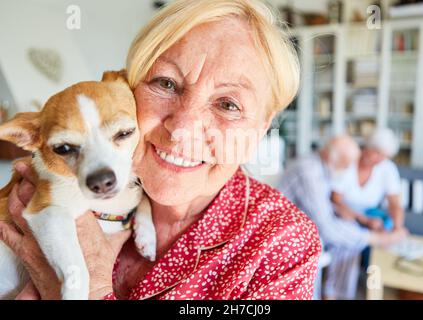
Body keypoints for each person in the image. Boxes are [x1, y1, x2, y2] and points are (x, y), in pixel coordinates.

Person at [0, 0, 322, 300]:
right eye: (166, 84)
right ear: (128, 86)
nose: (182, 128)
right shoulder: (53, 185)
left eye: (228, 104)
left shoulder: (280, 244)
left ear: (261, 127)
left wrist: (92, 286)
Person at [278, 135, 407, 299]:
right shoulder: (309, 171)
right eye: (346, 165)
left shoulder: (323, 166)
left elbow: (326, 208)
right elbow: (327, 227)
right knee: (338, 238)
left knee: (349, 238)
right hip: (286, 233)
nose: (347, 170)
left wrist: (360, 221)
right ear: (332, 157)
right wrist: (375, 238)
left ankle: (337, 294)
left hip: (306, 225)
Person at [325, 128, 408, 299]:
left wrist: (397, 227)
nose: (380, 159)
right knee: (349, 241)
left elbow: (395, 204)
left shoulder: (387, 168)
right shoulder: (348, 162)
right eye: (377, 153)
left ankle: (370, 287)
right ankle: (335, 291)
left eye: (384, 155)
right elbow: (336, 200)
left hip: (370, 215)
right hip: (344, 212)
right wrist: (363, 219)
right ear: (368, 147)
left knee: (387, 234)